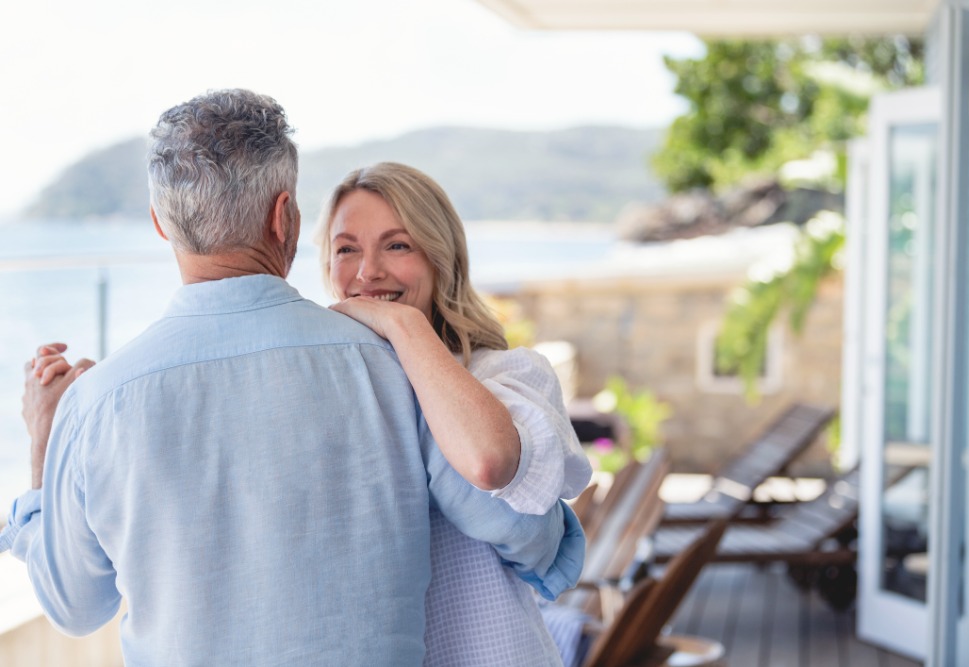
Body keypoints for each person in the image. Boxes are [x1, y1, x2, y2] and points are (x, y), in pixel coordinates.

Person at [1, 89, 583, 666]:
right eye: (348, 248)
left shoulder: (99, 402)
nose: (368, 272)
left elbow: (74, 606)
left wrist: (45, 450)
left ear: (160, 224)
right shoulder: (395, 370)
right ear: (286, 218)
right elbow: (516, 525)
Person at [316, 161, 593, 666]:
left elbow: (489, 462)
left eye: (397, 245)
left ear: (440, 257)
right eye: (346, 249)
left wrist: (406, 327)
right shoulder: (326, 393)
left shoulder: (506, 377)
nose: (366, 272)